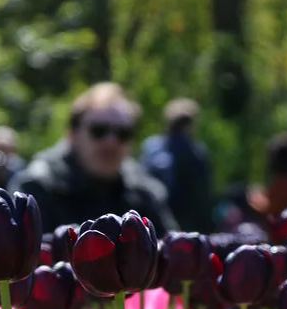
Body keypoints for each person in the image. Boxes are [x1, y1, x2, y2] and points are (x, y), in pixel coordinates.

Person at [9, 83, 176, 234]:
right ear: (72, 135)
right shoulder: (37, 188)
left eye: (123, 133)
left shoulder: (145, 193)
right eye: (99, 130)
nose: (111, 142)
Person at [141, 98, 213, 232]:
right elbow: (203, 198)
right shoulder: (196, 152)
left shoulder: (151, 146)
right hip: (183, 223)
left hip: (152, 222)